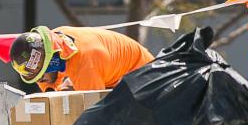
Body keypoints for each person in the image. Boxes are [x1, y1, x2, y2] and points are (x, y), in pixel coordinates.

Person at [10, 25, 153, 92]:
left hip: (144, 74)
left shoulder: (85, 66)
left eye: (41, 76)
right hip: (115, 74)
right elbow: (51, 94)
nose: (39, 81)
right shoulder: (54, 42)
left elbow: (95, 110)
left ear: (51, 62)